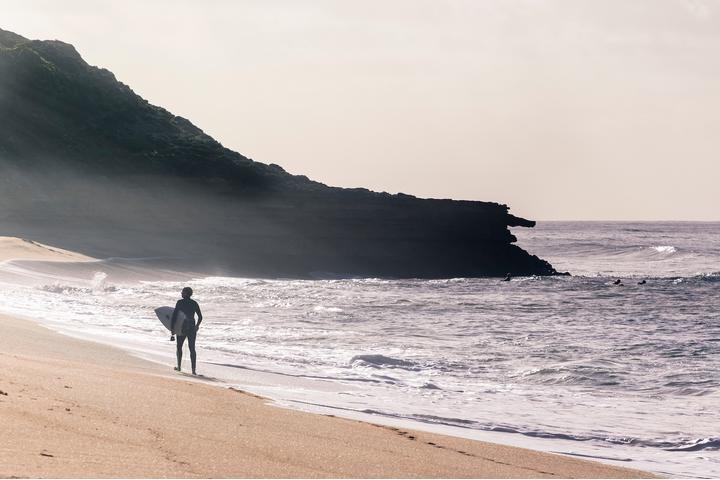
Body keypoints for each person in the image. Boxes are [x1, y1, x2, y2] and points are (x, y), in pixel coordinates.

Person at [170, 287, 203, 375]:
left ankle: (179, 367)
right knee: (192, 348)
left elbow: (175, 316)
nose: (181, 293)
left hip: (182, 327)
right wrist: (197, 326)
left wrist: (172, 328)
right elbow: (200, 317)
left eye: (183, 292)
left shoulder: (180, 302)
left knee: (179, 347)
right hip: (192, 327)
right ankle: (193, 370)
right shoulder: (194, 303)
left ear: (186, 293)